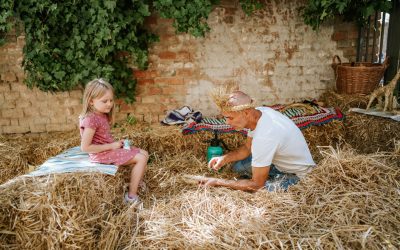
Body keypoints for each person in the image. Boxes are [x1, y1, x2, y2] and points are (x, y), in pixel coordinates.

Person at [199, 86, 316, 192]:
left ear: (246, 113)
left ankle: (272, 177)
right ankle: (264, 172)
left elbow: (256, 185)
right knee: (238, 167)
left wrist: (218, 182)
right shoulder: (259, 112)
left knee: (263, 190)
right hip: (278, 163)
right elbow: (247, 148)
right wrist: (224, 158)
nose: (227, 122)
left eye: (230, 118)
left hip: (296, 175)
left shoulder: (265, 135)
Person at [79, 78, 148, 205]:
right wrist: (112, 145)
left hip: (108, 149)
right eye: (104, 101)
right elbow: (85, 147)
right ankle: (131, 196)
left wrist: (116, 144)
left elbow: (102, 138)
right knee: (141, 158)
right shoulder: (90, 120)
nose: (109, 104)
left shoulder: (102, 115)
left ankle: (135, 181)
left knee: (144, 153)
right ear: (91, 102)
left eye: (111, 100)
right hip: (101, 154)